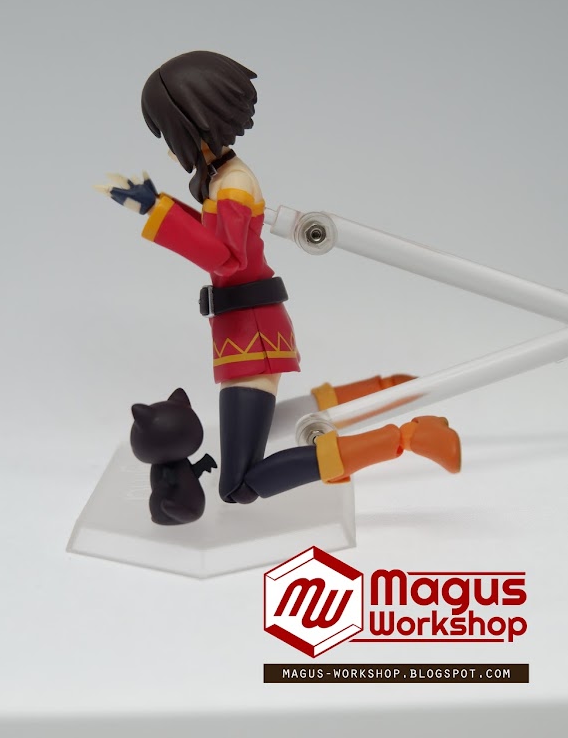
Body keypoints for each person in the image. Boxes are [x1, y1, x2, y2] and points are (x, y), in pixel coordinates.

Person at [99, 51, 460, 522]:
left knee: (239, 484)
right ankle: (382, 390)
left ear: (194, 123)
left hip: (251, 333)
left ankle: (406, 437)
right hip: (241, 328)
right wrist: (157, 205)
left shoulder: (234, 184)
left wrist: (158, 213)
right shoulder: (221, 180)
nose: (169, 147)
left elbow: (227, 258)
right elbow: (215, 239)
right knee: (266, 425)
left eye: (169, 133)